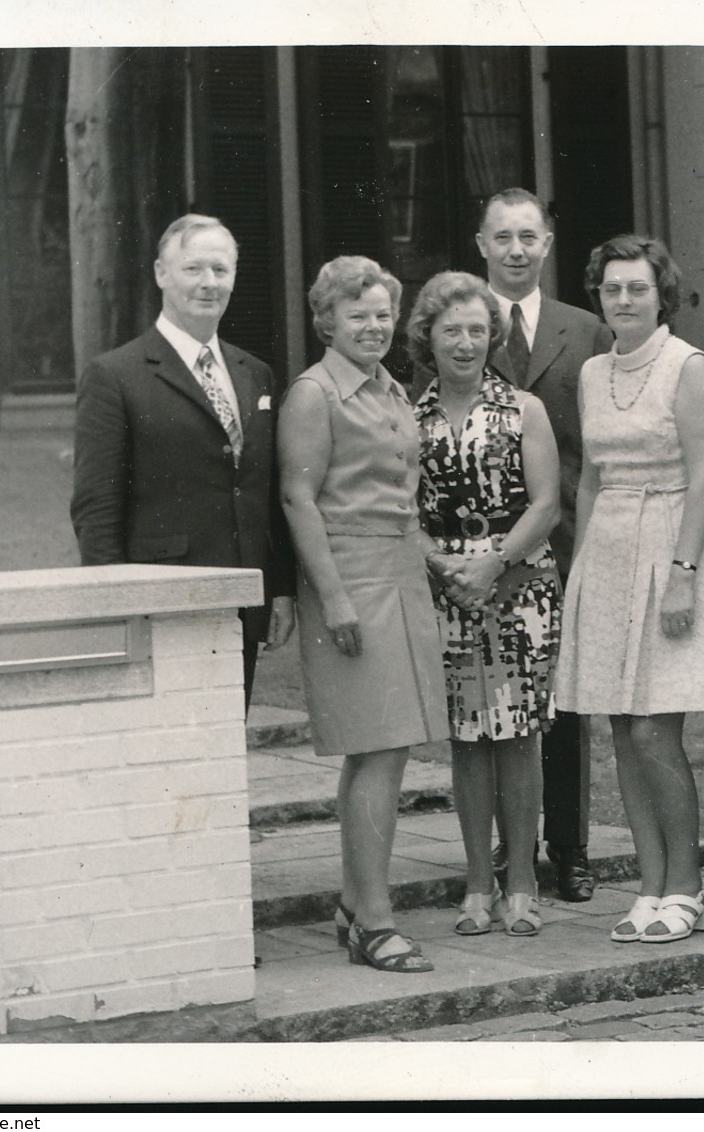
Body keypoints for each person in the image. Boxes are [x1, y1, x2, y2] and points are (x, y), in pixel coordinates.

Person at [555, 235, 704, 944]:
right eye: (611, 289)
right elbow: (590, 478)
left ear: (662, 294)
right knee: (619, 732)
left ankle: (687, 885)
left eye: (637, 288)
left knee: (653, 729)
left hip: (671, 545)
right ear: (598, 297)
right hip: (606, 551)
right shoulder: (591, 371)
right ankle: (649, 883)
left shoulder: (686, 367)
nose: (624, 300)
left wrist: (683, 576)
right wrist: (582, 571)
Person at [278, 256, 447, 974]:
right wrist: (336, 596)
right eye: (358, 315)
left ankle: (357, 903)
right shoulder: (314, 395)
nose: (374, 326)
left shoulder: (390, 389)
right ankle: (376, 922)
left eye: (383, 313)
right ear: (326, 322)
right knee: (375, 747)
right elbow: (297, 498)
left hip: (400, 574)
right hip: (349, 581)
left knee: (387, 747)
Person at [70, 213, 294, 708]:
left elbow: (264, 490)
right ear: (160, 274)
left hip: (241, 598)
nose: (209, 283)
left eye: (221, 269)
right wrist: (112, 607)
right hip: (163, 600)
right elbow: (96, 506)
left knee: (225, 754)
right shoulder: (115, 375)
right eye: (193, 268)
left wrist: (279, 590)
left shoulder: (254, 373)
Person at [465, 188, 614, 903]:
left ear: (547, 245)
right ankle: (508, 847)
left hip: (566, 536)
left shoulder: (585, 331)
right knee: (494, 699)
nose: (517, 249)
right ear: (482, 244)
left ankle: (570, 848)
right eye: (503, 237)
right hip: (482, 546)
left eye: (529, 236)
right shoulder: (458, 326)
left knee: (564, 700)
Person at [411, 271, 563, 938]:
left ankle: (523, 885)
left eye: (477, 330)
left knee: (518, 736)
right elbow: (397, 511)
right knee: (468, 741)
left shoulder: (524, 408)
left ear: (491, 335)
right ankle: (476, 885)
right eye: (452, 331)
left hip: (518, 585)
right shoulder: (407, 419)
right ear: (429, 337)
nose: (466, 342)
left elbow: (547, 502)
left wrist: (494, 562)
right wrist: (444, 563)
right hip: (445, 591)